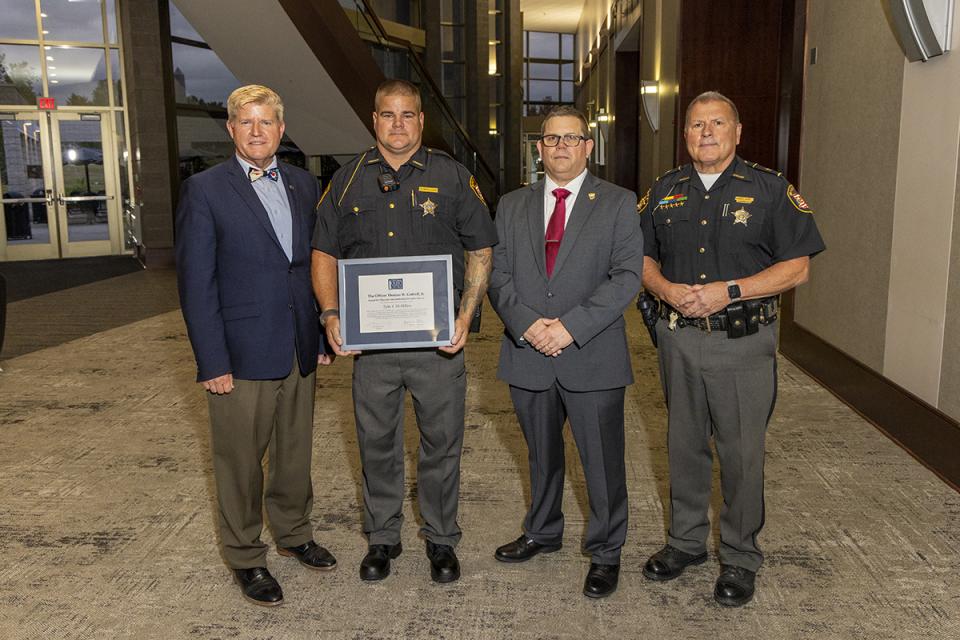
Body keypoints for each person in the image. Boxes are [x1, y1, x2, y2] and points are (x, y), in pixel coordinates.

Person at [639, 91, 825, 607]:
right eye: (697, 125)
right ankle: (685, 543)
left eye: (717, 123)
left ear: (737, 132)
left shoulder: (769, 190)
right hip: (678, 339)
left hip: (742, 342)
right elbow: (640, 256)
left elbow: (798, 267)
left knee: (741, 454)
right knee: (683, 446)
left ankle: (741, 557)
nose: (706, 132)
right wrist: (665, 290)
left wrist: (731, 289)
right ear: (685, 134)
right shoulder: (664, 191)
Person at [311, 79, 497, 584]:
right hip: (372, 350)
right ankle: (382, 538)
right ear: (375, 120)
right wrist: (330, 315)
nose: (398, 124)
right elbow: (324, 253)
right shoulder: (347, 180)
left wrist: (465, 314)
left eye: (408, 114)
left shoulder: (453, 176)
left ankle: (441, 539)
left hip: (438, 346)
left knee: (442, 443)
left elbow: (480, 248)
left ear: (420, 120)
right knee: (376, 444)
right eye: (388, 115)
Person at [176, 85, 336, 607]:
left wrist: (318, 332)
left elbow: (311, 265)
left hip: (296, 344)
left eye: (266, 122)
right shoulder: (205, 190)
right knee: (240, 460)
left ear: (281, 129)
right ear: (231, 129)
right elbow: (196, 283)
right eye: (246, 122)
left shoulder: (303, 183)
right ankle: (246, 555)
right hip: (239, 353)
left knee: (294, 453)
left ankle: (293, 533)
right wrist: (212, 360)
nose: (257, 131)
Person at [487, 105, 643, 598]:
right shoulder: (511, 205)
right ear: (539, 148)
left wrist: (570, 328)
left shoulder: (618, 202)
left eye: (571, 139)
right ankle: (542, 530)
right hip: (528, 351)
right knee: (540, 454)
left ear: (588, 147)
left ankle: (606, 550)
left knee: (601, 459)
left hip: (592, 352)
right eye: (551, 139)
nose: (560, 147)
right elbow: (498, 273)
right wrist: (529, 325)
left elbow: (627, 277)